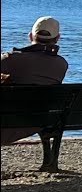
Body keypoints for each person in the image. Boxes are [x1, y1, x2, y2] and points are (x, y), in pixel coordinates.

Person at [1, 16, 70, 146]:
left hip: (7, 123)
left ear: (30, 36)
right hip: (38, 121)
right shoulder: (61, 64)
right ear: (57, 38)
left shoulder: (12, 59)